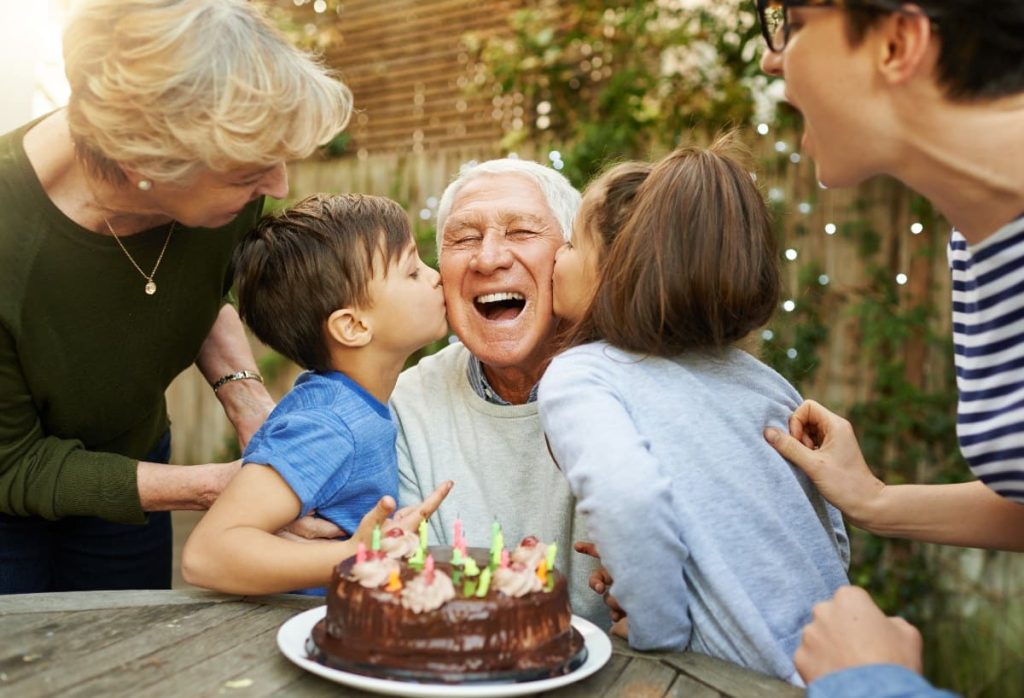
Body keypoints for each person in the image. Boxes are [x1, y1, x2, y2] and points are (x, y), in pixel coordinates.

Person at [0, 0, 352, 594]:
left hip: (136, 458)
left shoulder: (227, 192)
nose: (278, 187)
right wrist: (218, 486)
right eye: (250, 173)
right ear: (145, 160)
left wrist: (247, 402)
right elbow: (13, 463)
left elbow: (195, 292)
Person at [755, 0, 1024, 693]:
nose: (771, 57)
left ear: (898, 42)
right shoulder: (980, 239)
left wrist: (872, 683)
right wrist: (873, 500)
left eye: (796, 23)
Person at [536, 140, 849, 684]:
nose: (556, 259)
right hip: (842, 667)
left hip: (737, 682)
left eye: (570, 244)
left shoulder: (582, 374)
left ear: (614, 268)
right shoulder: (766, 382)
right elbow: (831, 533)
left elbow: (629, 498)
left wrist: (658, 627)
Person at [181, 194, 452, 594]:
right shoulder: (326, 424)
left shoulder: (349, 404)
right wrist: (360, 554)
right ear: (353, 326)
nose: (435, 276)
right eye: (412, 271)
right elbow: (207, 555)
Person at [389, 158, 607, 625]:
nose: (488, 258)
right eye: (464, 238)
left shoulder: (633, 388)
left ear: (571, 257)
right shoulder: (409, 402)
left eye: (521, 232)